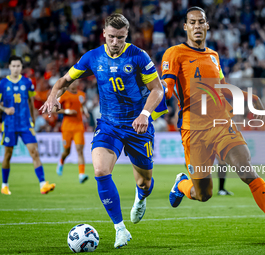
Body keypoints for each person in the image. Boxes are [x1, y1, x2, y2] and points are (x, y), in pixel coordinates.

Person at [161, 7, 265, 242]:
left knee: (246, 169)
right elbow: (168, 85)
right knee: (203, 194)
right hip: (194, 130)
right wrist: (164, 94)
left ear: (207, 26)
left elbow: (221, 88)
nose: (196, 26)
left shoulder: (213, 55)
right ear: (185, 27)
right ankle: (182, 184)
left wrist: (246, 96)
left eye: (200, 22)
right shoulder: (174, 53)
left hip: (222, 123)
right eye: (191, 22)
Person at [40, 13, 167, 248]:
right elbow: (63, 82)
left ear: (126, 35)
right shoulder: (93, 57)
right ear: (104, 34)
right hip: (109, 124)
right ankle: (120, 229)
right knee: (99, 170)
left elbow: (157, 90)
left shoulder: (139, 56)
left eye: (120, 37)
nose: (115, 42)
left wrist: (145, 114)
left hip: (137, 125)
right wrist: (52, 98)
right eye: (111, 37)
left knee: (145, 184)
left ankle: (141, 197)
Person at [0, 56, 56, 195]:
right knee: (7, 155)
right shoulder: (3, 83)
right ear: (9, 67)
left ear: (21, 67)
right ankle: (5, 185)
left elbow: (31, 101)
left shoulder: (27, 82)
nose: (15, 68)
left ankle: (43, 184)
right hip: (9, 124)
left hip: (25, 123)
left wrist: (33, 118)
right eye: (13, 66)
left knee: (34, 152)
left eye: (18, 66)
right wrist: (5, 109)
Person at [55, 80, 89, 183]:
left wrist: (85, 112)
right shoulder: (64, 95)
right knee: (67, 151)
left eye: (76, 81)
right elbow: (53, 109)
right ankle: (61, 162)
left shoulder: (82, 95)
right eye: (72, 81)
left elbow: (82, 106)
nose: (74, 83)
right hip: (67, 127)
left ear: (78, 82)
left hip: (79, 126)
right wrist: (66, 111)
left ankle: (81, 175)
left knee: (79, 150)